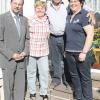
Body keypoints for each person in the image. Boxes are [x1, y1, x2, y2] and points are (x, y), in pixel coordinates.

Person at [47, 0, 95, 89]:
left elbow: (82, 6)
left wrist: (91, 13)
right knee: (55, 59)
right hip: (53, 36)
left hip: (66, 36)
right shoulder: (47, 6)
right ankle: (56, 79)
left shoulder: (67, 4)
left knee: (67, 59)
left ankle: (67, 80)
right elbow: (39, 11)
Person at [0, 0, 30, 100]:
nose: (17, 6)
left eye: (20, 4)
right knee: (8, 89)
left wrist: (25, 51)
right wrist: (12, 54)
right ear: (11, 3)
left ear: (22, 5)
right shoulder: (2, 18)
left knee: (20, 89)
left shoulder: (24, 20)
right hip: (8, 60)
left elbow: (27, 39)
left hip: (21, 61)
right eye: (15, 3)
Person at [65, 0, 94, 100]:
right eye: (71, 1)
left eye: (75, 1)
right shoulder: (68, 15)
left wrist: (84, 52)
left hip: (81, 53)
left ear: (81, 2)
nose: (73, 3)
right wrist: (66, 50)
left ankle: (87, 98)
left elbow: (90, 34)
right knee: (74, 77)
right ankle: (78, 97)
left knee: (85, 78)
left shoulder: (85, 15)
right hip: (69, 53)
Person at [27, 1, 49, 100]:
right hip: (31, 51)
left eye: (42, 8)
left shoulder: (48, 20)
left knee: (44, 72)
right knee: (31, 73)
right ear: (35, 9)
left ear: (45, 10)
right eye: (38, 8)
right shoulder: (29, 20)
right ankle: (32, 92)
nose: (40, 10)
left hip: (43, 52)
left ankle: (44, 93)